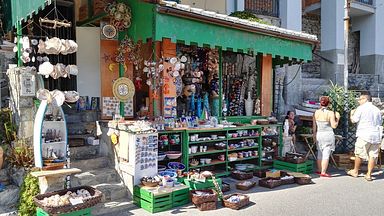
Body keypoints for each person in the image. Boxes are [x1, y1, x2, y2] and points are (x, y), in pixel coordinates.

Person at [347, 92, 382, 181]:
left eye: (360, 99)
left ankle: (355, 171)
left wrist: (351, 114)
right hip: (376, 134)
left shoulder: (361, 108)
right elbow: (379, 122)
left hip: (364, 134)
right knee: (372, 155)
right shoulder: (377, 110)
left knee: (359, 153)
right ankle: (369, 174)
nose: (359, 101)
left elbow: (354, 120)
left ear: (365, 99)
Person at [312, 96, 340, 177]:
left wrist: (314, 135)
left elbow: (314, 127)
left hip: (319, 134)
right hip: (328, 134)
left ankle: (319, 170)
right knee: (326, 153)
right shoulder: (330, 113)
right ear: (328, 104)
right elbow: (334, 126)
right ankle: (323, 172)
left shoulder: (316, 112)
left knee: (319, 153)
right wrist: (337, 118)